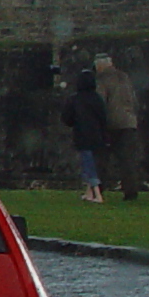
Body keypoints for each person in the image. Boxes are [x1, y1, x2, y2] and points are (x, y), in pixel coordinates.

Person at [93, 53, 144, 199]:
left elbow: (100, 102)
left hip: (111, 124)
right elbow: (133, 100)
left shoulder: (102, 79)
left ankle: (98, 190)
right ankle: (131, 191)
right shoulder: (124, 77)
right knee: (127, 161)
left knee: (102, 160)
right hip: (129, 122)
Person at [62, 67, 110, 203]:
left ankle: (97, 194)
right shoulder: (97, 99)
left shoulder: (75, 99)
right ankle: (89, 193)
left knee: (88, 166)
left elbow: (66, 118)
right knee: (92, 163)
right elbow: (103, 118)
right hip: (97, 136)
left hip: (82, 136)